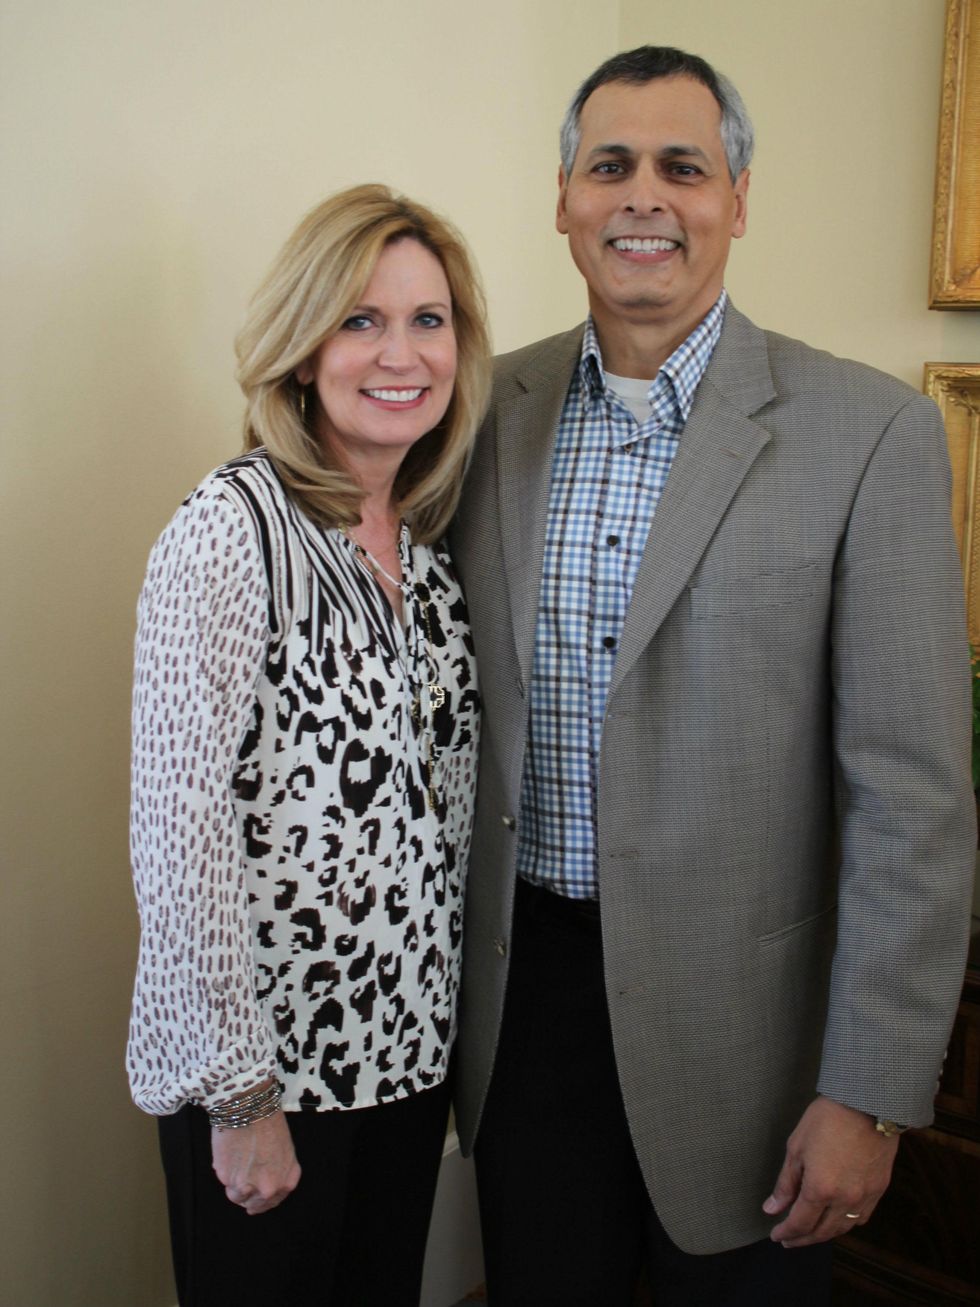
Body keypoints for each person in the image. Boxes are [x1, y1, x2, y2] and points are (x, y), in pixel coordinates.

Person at [451, 45, 976, 1307]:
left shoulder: (868, 434)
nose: (643, 197)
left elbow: (911, 801)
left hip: (752, 1046)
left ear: (735, 198)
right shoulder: (479, 410)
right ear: (562, 200)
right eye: (608, 166)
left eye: (681, 167)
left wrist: (867, 1091)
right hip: (523, 1017)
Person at [127, 183, 490, 1307]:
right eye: (360, 319)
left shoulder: (426, 557)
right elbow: (177, 839)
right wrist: (241, 1103)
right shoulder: (231, 531)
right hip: (265, 1088)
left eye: (428, 320)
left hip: (400, 1069)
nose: (400, 352)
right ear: (300, 348)